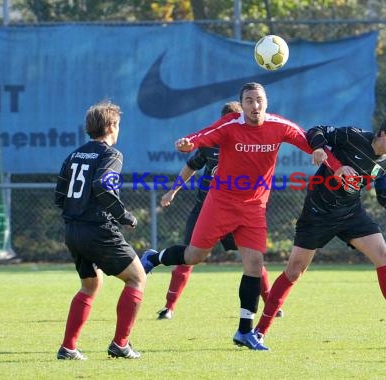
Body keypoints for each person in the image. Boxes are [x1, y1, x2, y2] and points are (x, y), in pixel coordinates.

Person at [141, 82, 340, 350]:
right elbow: (204, 135)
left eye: (259, 100)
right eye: (249, 101)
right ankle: (155, 257)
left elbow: (310, 141)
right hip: (220, 202)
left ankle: (244, 331)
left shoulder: (279, 125)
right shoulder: (230, 125)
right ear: (242, 104)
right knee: (193, 256)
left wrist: (333, 162)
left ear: (266, 102)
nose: (255, 106)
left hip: (254, 207)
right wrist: (190, 142)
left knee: (255, 265)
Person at [253, 114, 386, 348]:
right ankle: (259, 331)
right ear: (382, 134)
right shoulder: (352, 136)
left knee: (384, 257)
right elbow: (316, 130)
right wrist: (321, 149)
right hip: (317, 214)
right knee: (294, 271)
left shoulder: (385, 164)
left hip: (351, 214)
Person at [156, 101, 283, 321]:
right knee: (189, 256)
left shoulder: (252, 143)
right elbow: (191, 166)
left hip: (238, 211)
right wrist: (172, 191)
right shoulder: (211, 142)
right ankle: (169, 307)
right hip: (207, 209)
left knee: (253, 259)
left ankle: (270, 303)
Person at [55, 100, 146, 360]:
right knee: (137, 278)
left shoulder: (74, 155)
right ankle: (120, 344)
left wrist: (75, 214)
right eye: (118, 125)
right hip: (98, 229)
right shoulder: (111, 154)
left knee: (90, 285)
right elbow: (103, 186)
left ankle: (68, 348)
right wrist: (124, 216)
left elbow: (60, 195)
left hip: (73, 230)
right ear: (112, 125)